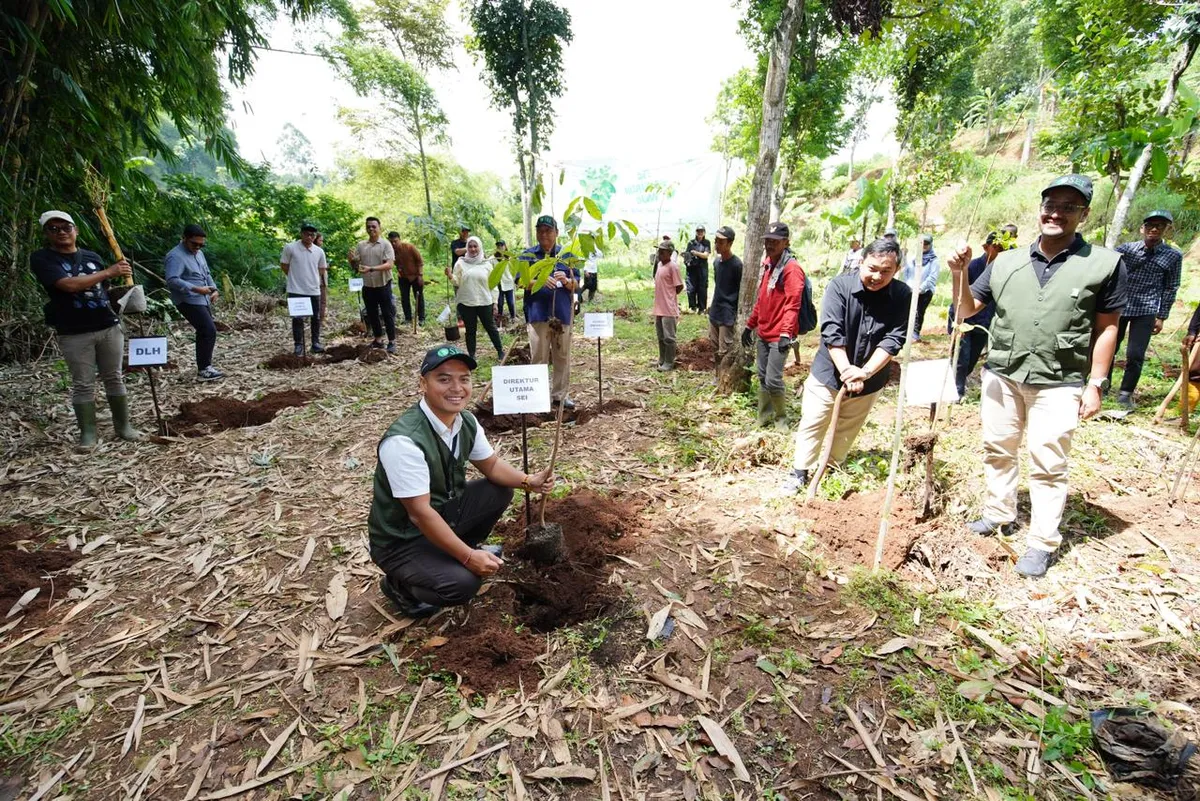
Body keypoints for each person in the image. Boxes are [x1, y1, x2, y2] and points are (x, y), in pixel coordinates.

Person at [950, 174, 1127, 578]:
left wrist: (1096, 384)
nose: (1057, 213)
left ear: (1083, 214)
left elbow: (1107, 328)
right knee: (998, 448)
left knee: (1049, 463)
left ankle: (1041, 543)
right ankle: (998, 514)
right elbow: (966, 310)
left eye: (1069, 207)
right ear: (1039, 208)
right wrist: (958, 274)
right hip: (1003, 374)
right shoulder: (1005, 262)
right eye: (1051, 204)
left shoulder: (1104, 264)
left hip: (1060, 381)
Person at [369, 344, 556, 618]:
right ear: (423, 383)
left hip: (441, 513)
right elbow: (420, 514)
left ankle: (452, 551)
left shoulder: (464, 421)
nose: (456, 388)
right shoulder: (404, 442)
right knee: (461, 585)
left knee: (500, 490)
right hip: (402, 539)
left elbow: (491, 466)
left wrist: (529, 481)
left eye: (464, 379)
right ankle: (401, 585)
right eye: (444, 379)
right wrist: (468, 558)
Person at [783, 238, 910, 492]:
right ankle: (800, 472)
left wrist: (865, 372)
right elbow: (832, 332)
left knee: (849, 424)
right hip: (829, 373)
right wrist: (846, 370)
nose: (877, 276)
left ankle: (832, 467)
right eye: (872, 268)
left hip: (870, 377)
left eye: (886, 271)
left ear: (896, 271)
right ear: (861, 262)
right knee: (814, 419)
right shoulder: (839, 287)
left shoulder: (903, 295)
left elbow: (894, 338)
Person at [30, 210, 141, 450]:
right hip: (74, 331)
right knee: (83, 383)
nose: (61, 232)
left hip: (107, 325)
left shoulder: (92, 257)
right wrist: (109, 271)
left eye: (66, 227)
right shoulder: (42, 259)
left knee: (114, 377)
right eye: (54, 229)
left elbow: (105, 289)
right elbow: (67, 285)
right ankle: (88, 434)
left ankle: (124, 427)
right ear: (46, 234)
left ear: (75, 230)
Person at [1110, 211, 1182, 408]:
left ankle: (1125, 393)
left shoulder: (1173, 255)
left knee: (1135, 354)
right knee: (1109, 347)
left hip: (1147, 308)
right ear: (1142, 228)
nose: (1154, 229)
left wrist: (1162, 316)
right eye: (1150, 225)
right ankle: (1102, 385)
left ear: (1166, 230)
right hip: (1120, 305)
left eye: (1160, 225)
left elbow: (1171, 286)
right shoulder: (1126, 249)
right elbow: (1109, 272)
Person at [742, 222, 805, 428]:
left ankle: (781, 419)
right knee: (762, 376)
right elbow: (762, 299)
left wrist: (786, 333)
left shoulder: (791, 269)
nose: (770, 244)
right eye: (767, 240)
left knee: (773, 379)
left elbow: (793, 304)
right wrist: (750, 325)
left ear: (786, 242)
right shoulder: (769, 264)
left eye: (775, 241)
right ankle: (764, 416)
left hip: (780, 335)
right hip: (764, 331)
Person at [522, 215, 579, 408]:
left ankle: (560, 396)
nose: (544, 234)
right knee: (539, 357)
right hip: (538, 314)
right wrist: (537, 281)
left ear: (557, 233)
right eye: (540, 230)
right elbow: (520, 281)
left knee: (562, 356)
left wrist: (566, 281)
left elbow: (576, 284)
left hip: (562, 314)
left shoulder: (567, 255)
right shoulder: (528, 255)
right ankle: (538, 397)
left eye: (548, 230)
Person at [165, 224, 224, 381]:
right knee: (208, 329)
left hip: (202, 298)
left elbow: (207, 273)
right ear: (184, 238)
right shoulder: (175, 256)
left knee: (205, 330)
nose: (198, 247)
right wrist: (196, 289)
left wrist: (214, 290)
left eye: (201, 244)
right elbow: (172, 280)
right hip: (187, 299)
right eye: (194, 244)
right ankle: (204, 369)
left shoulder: (199, 254)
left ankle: (205, 367)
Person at [952, 231, 1007, 397]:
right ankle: (957, 392)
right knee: (961, 358)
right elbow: (960, 295)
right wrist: (958, 324)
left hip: (984, 323)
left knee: (971, 360)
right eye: (996, 247)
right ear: (986, 247)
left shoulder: (1005, 270)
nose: (999, 251)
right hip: (965, 320)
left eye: (1003, 248)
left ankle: (958, 385)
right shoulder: (973, 266)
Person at [452, 236, 504, 360]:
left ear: (479, 247)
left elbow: (493, 284)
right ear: (467, 248)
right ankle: (472, 355)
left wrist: (495, 302)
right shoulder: (460, 263)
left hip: (484, 301)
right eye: (470, 246)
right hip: (466, 302)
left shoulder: (486, 264)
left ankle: (500, 351)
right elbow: (456, 282)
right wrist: (450, 276)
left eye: (475, 246)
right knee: (470, 330)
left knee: (490, 327)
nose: (473, 249)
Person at [350, 217, 398, 353]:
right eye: (368, 226)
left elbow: (389, 264)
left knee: (387, 313)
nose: (371, 229)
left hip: (383, 284)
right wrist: (352, 261)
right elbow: (356, 266)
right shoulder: (361, 245)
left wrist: (371, 268)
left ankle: (392, 341)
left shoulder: (385, 244)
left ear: (379, 227)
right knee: (372, 314)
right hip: (368, 285)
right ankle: (378, 339)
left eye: (373, 226)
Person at [280, 223, 328, 355]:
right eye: (307, 234)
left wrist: (311, 278)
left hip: (313, 289)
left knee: (316, 317)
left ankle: (315, 343)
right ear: (301, 234)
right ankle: (299, 345)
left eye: (312, 235)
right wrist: (296, 277)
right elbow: (284, 265)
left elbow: (321, 269)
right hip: (296, 289)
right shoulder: (290, 248)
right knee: (297, 318)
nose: (309, 237)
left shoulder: (319, 251)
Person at [708, 226, 743, 363]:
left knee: (725, 350)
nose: (717, 245)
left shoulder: (737, 265)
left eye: (721, 242)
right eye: (716, 241)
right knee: (714, 348)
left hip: (727, 313)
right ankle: (717, 377)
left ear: (730, 243)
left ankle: (725, 378)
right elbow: (718, 284)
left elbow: (740, 290)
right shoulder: (716, 262)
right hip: (715, 310)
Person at [652, 241, 684, 371]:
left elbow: (679, 286)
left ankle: (669, 362)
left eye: (662, 251)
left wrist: (670, 295)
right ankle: (662, 359)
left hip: (668, 308)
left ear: (670, 253)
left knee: (669, 337)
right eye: (659, 251)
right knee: (661, 336)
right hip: (659, 307)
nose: (659, 254)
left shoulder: (673, 267)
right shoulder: (659, 264)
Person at [902, 234, 939, 342]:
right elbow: (907, 273)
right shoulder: (914, 258)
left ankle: (915, 335)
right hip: (910, 289)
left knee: (918, 313)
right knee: (907, 311)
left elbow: (932, 277)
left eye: (927, 244)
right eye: (922, 243)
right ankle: (905, 332)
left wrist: (920, 289)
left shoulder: (934, 261)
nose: (924, 246)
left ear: (930, 245)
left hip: (925, 291)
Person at [388, 231, 427, 327]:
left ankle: (421, 318)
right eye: (391, 242)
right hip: (403, 277)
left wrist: (420, 275)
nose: (394, 244)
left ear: (399, 240)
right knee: (404, 298)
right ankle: (408, 318)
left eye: (395, 241)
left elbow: (420, 261)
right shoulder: (390, 251)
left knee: (418, 297)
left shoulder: (409, 247)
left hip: (415, 276)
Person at [685, 226, 712, 313]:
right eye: (698, 231)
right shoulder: (691, 243)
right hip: (692, 268)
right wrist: (686, 259)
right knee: (691, 288)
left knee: (702, 288)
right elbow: (687, 254)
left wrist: (696, 253)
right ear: (696, 232)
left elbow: (706, 255)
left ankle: (702, 308)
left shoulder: (706, 243)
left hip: (702, 268)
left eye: (701, 231)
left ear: (704, 233)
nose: (700, 233)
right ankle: (692, 307)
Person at [494, 240, 517, 325]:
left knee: (510, 302)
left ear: (505, 246)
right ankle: (499, 320)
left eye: (501, 245)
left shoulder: (510, 258)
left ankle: (513, 318)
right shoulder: (494, 259)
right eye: (498, 246)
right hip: (499, 284)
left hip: (508, 283)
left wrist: (515, 281)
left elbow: (514, 270)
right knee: (500, 303)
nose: (500, 247)